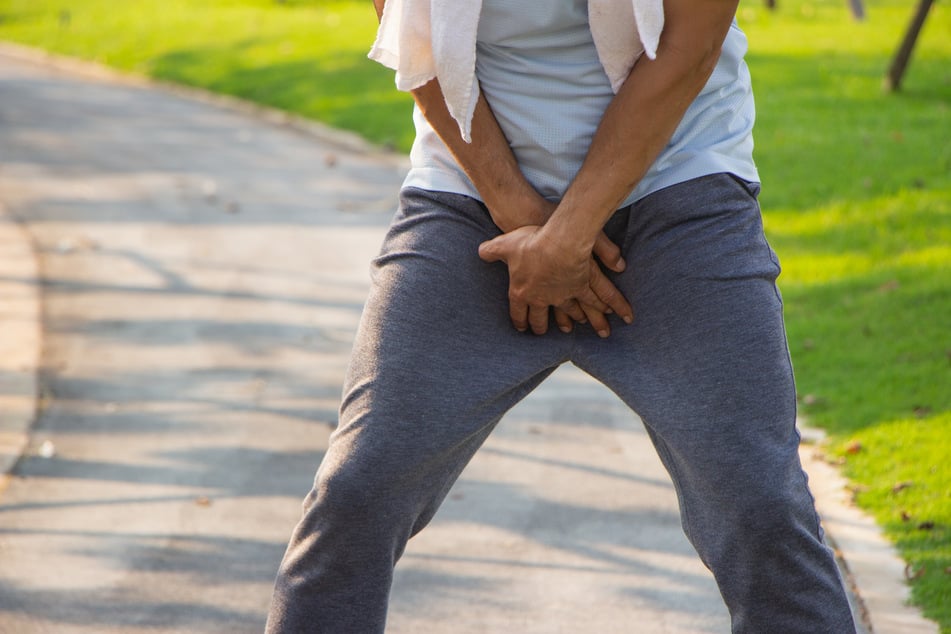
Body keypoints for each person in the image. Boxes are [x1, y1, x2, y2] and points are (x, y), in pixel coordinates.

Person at [266, 0, 858, 631]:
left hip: (677, 192)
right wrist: (521, 215)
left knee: (763, 505)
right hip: (473, 200)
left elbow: (690, 46)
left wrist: (569, 234)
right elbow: (412, 38)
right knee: (356, 490)